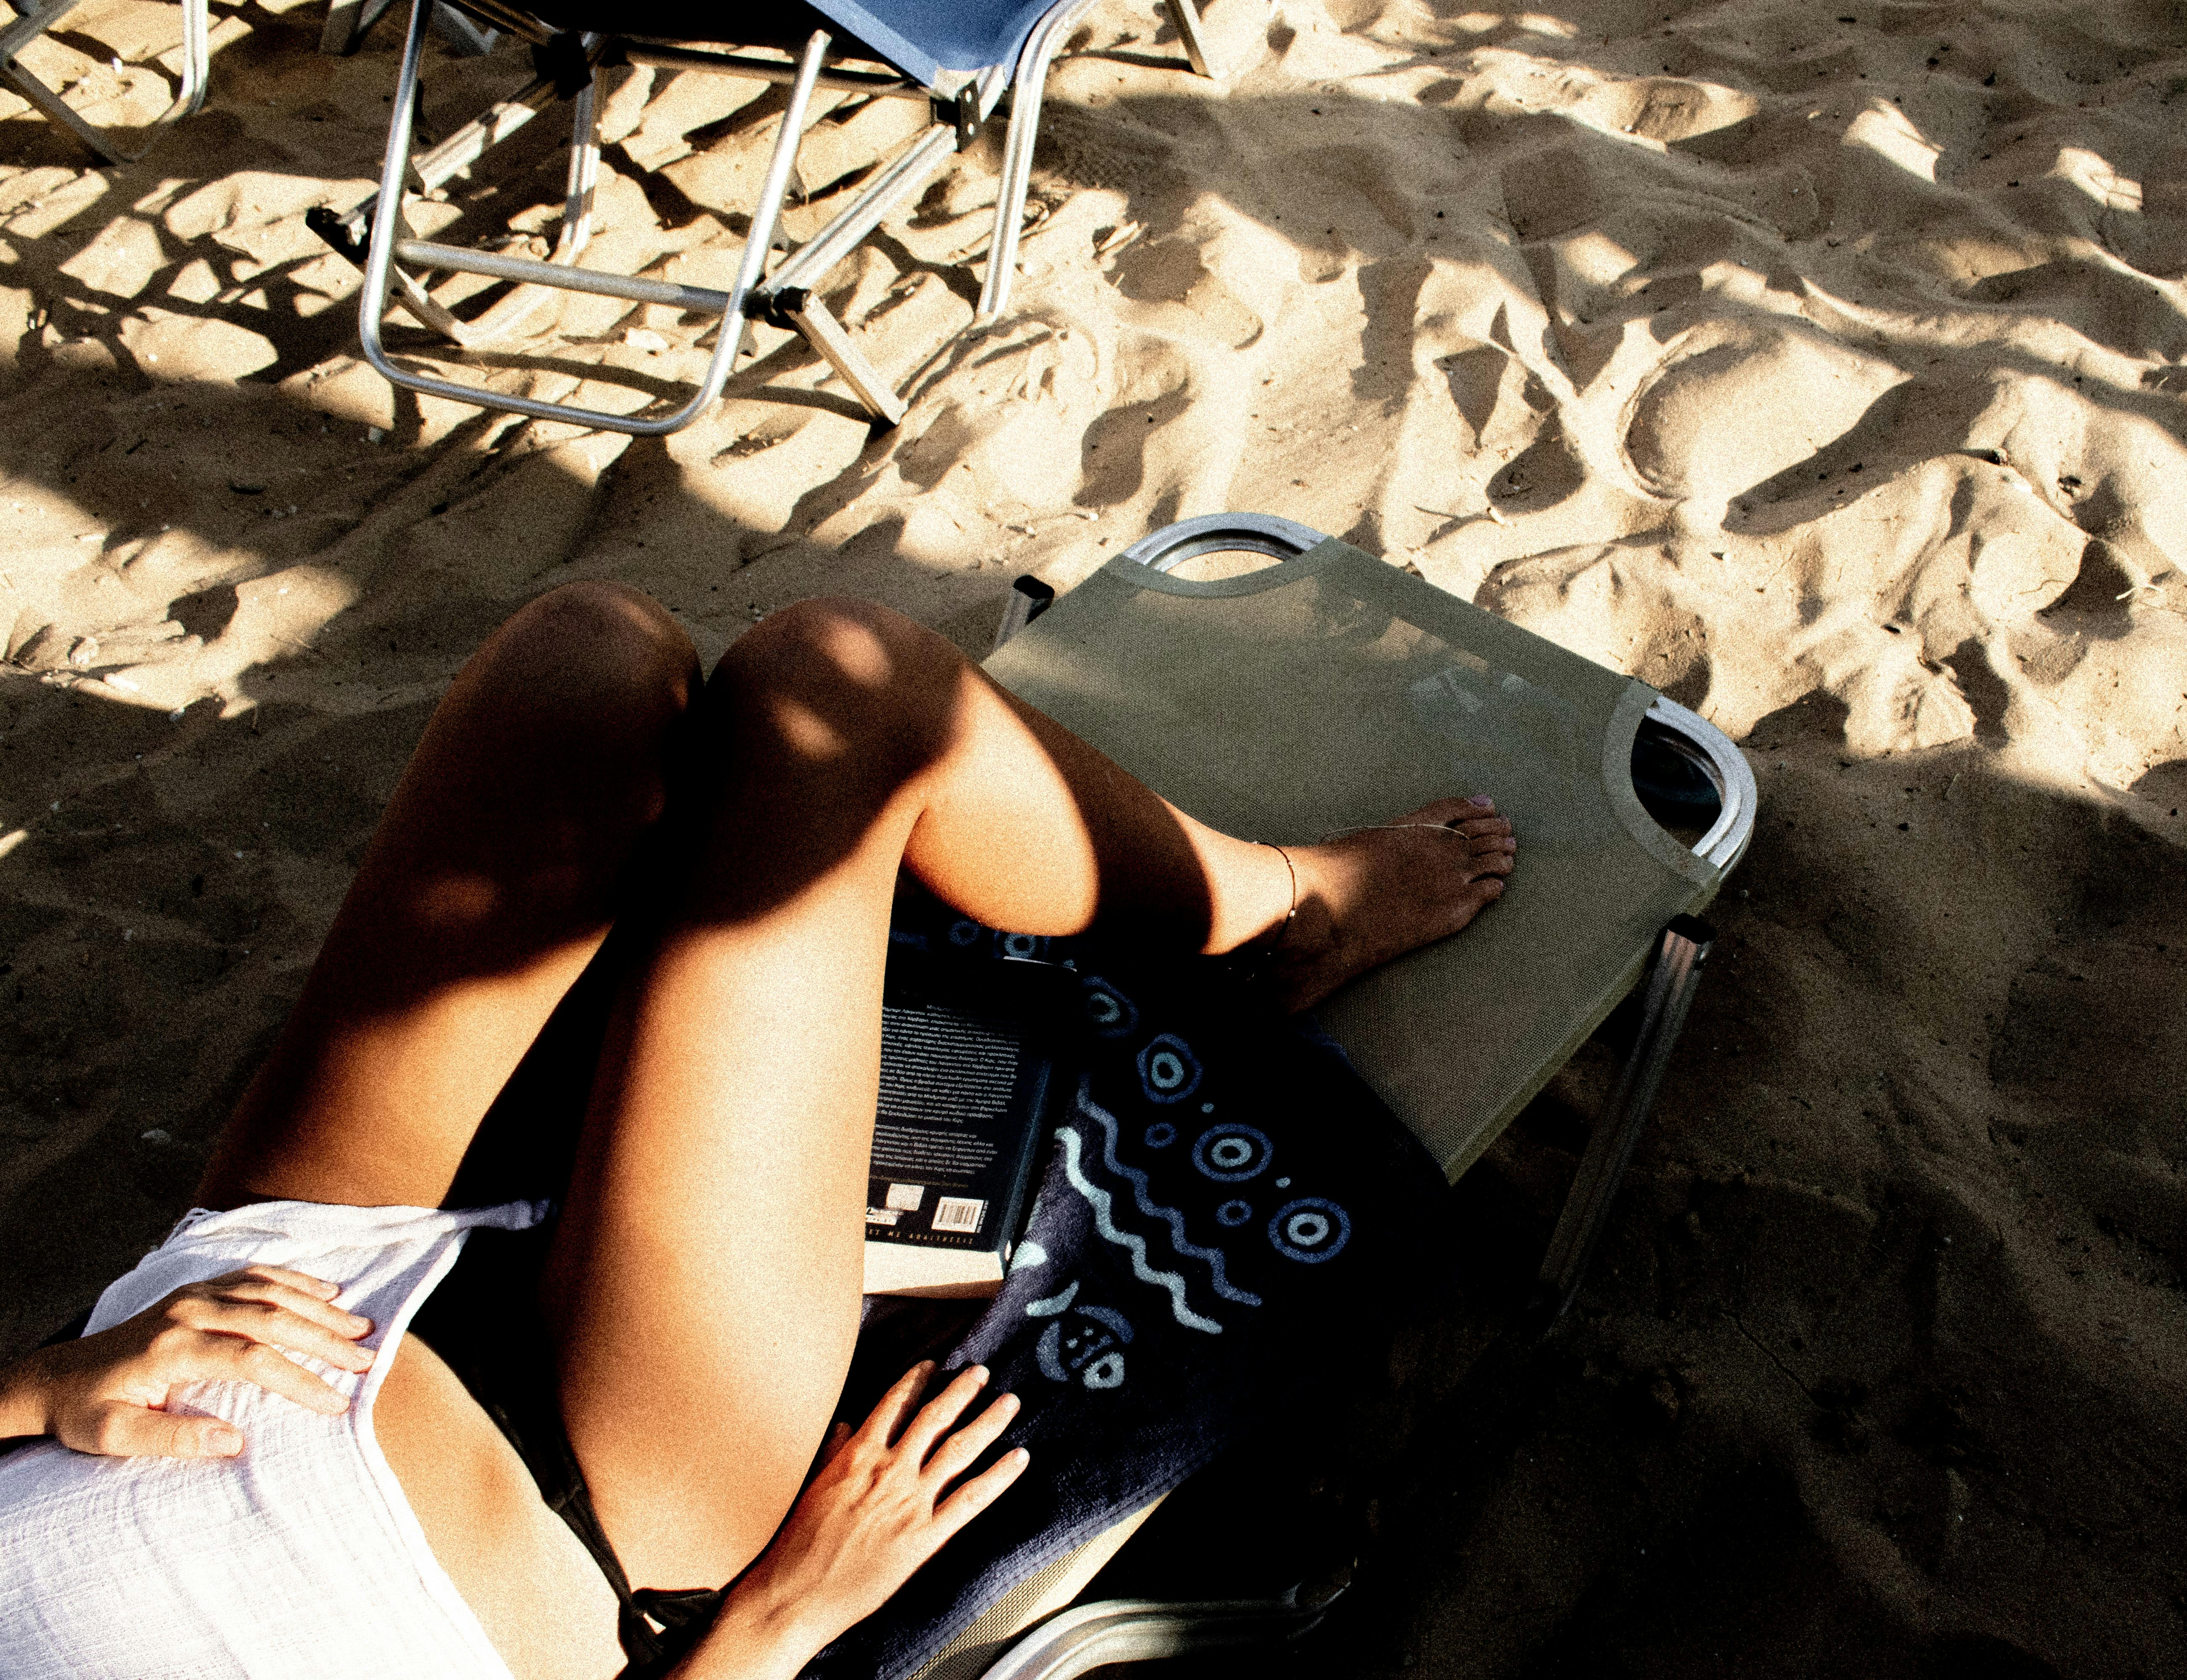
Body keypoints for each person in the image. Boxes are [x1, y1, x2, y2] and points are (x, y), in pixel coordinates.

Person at [0, 582, 1516, 1679]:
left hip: (265, 1295)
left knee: (587, 662)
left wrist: (47, 1380)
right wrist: (781, 1625)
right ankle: (1283, 911)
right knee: (838, 689)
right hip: (587, 1514)